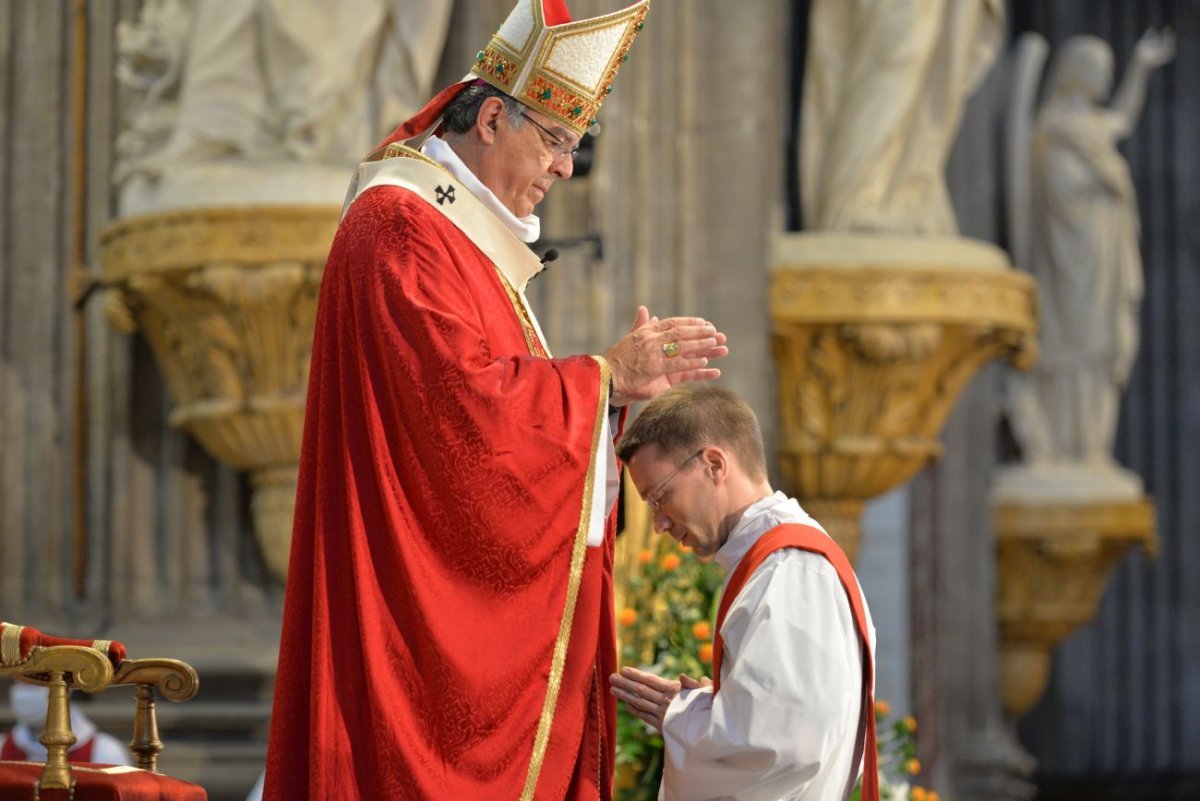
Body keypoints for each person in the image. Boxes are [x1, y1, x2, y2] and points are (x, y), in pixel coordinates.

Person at [264, 1, 729, 799]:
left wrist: (609, 403)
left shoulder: (456, 239)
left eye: (573, 148)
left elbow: (490, 409)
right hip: (410, 628)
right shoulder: (401, 228)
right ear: (489, 118)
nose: (563, 169)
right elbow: (461, 422)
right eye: (554, 141)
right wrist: (601, 379)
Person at [609, 385, 877, 801]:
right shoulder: (778, 564)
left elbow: (779, 745)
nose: (659, 524)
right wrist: (709, 708)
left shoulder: (791, 571)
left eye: (661, 497)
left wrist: (681, 718)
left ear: (714, 464)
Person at [2, 682, 132, 767]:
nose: (27, 691)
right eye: (21, 679)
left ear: (66, 689)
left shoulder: (105, 752)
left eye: (39, 680)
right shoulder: (2, 747)